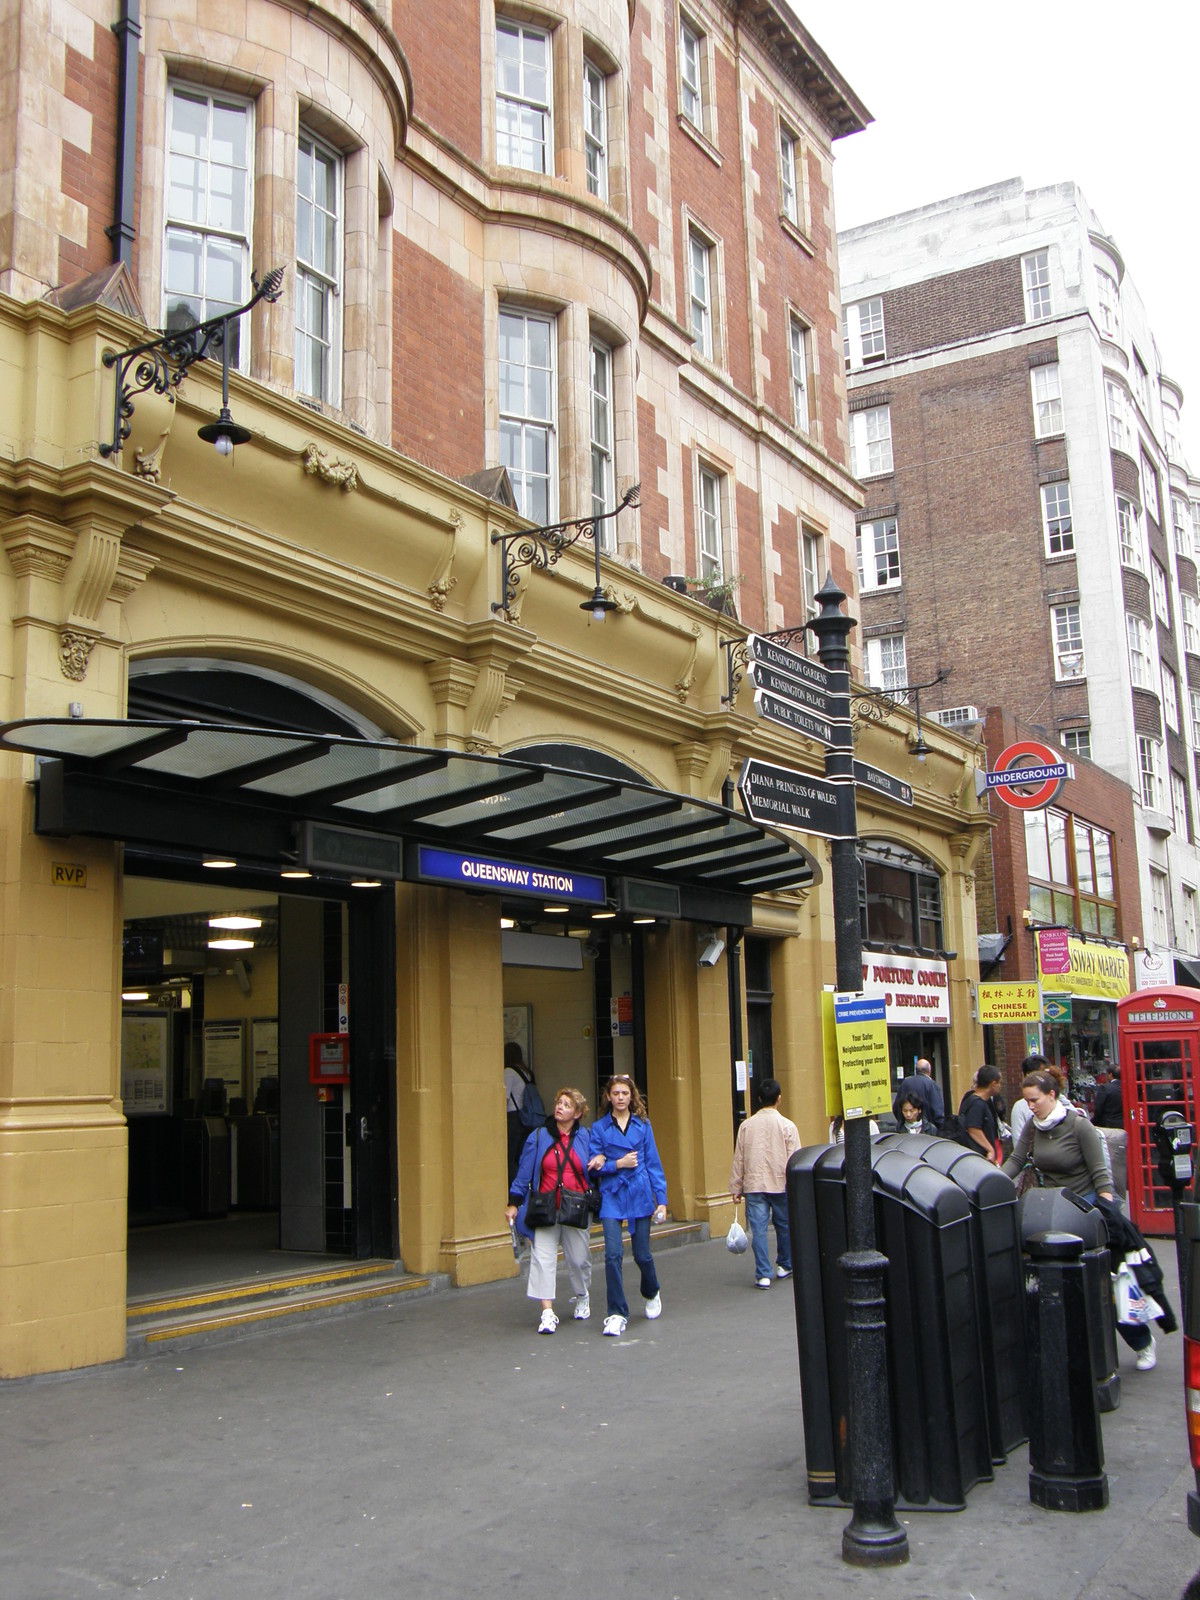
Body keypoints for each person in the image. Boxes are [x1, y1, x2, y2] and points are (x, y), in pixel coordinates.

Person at [506, 1087, 593, 1334]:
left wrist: (599, 1163)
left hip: (575, 1205)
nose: (560, 1107)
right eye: (558, 1103)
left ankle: (582, 1294)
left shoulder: (586, 1137)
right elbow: (524, 1171)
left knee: (578, 1258)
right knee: (543, 1259)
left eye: (566, 1105)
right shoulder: (539, 1135)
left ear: (577, 1113)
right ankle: (547, 1312)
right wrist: (514, 1202)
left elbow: (595, 1166)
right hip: (545, 1206)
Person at [587, 1074, 667, 1337]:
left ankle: (651, 1290)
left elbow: (653, 1164)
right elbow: (592, 1168)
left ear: (632, 1097)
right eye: (616, 1093)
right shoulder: (598, 1128)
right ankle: (616, 1312)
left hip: (639, 1193)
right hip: (612, 1194)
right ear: (608, 1097)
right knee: (612, 1254)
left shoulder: (643, 1125)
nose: (620, 1098)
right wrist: (616, 1164)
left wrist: (662, 1201)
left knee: (642, 1254)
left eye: (625, 1093)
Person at [728, 1078, 800, 1289]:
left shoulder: (746, 1126)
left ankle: (763, 1273)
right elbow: (794, 1158)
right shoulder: (788, 1126)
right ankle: (784, 1264)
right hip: (781, 1183)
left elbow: (738, 1157)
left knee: (758, 1230)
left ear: (759, 1099)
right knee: (784, 1226)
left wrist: (735, 1186)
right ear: (779, 1098)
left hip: (754, 1184)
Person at [503, 1040, 534, 1187]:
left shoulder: (509, 1072)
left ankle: (513, 1189)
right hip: (526, 1117)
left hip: (513, 1117)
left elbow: (505, 1097)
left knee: (510, 1158)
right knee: (521, 1156)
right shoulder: (527, 1072)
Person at [961, 1064, 1003, 1162]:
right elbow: (973, 1129)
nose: (1000, 1086)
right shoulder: (977, 1104)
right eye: (999, 1083)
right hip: (978, 1157)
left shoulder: (972, 1099)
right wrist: (990, 1149)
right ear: (993, 1084)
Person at [892, 1057, 944, 1125]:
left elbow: (896, 1107)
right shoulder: (931, 1084)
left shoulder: (905, 1082)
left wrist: (902, 1122)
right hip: (926, 1129)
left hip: (906, 1127)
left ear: (915, 1071)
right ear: (929, 1071)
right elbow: (937, 1111)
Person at [1092, 1062, 1124, 1129]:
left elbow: (1098, 1109)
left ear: (1110, 1074)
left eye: (1107, 1074)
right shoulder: (1125, 1087)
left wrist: (1093, 1123)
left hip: (1108, 1125)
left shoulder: (1105, 1088)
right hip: (1123, 1125)